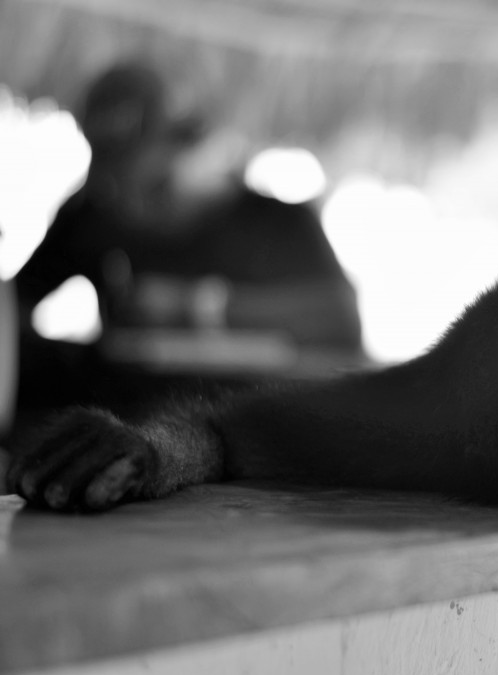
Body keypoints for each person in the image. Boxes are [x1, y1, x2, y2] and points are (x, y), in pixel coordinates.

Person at [13, 62, 363, 418]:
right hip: (130, 426)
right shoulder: (93, 217)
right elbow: (14, 305)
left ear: (192, 145)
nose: (133, 205)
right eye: (115, 184)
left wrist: (195, 305)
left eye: (155, 187)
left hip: (254, 426)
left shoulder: (278, 223)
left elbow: (342, 319)